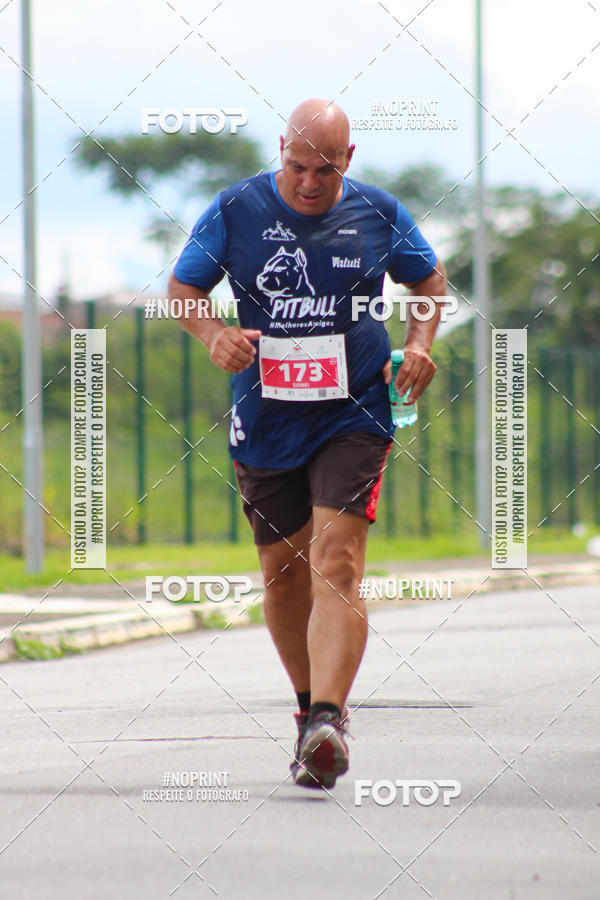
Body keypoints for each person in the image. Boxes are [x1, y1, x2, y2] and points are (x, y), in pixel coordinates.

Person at [168, 98, 446, 789]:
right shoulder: (237, 209)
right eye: (297, 167)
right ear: (280, 152)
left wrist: (418, 344)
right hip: (266, 416)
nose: (309, 183)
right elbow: (182, 289)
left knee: (338, 559)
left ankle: (330, 716)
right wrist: (214, 336)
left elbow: (428, 282)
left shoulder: (378, 212)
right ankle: (305, 716)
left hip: (353, 412)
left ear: (347, 161)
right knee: (284, 572)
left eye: (324, 170)